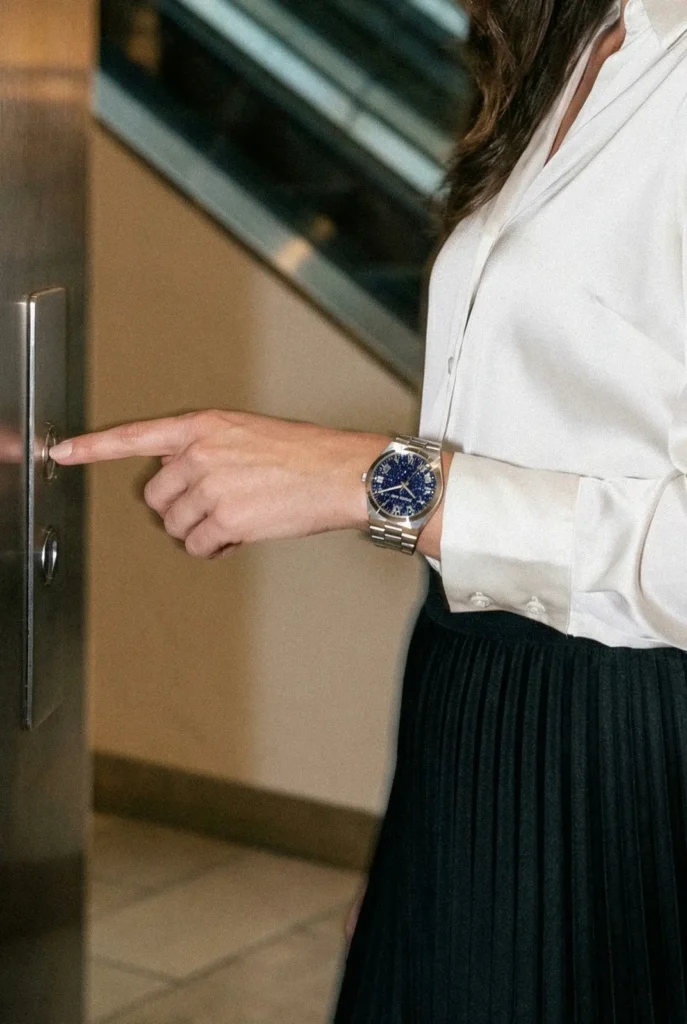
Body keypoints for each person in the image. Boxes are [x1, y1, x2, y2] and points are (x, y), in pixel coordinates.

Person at [51, 0, 687, 1018]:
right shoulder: (596, 37)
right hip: (475, 699)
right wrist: (415, 840)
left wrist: (373, 479)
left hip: (627, 755)